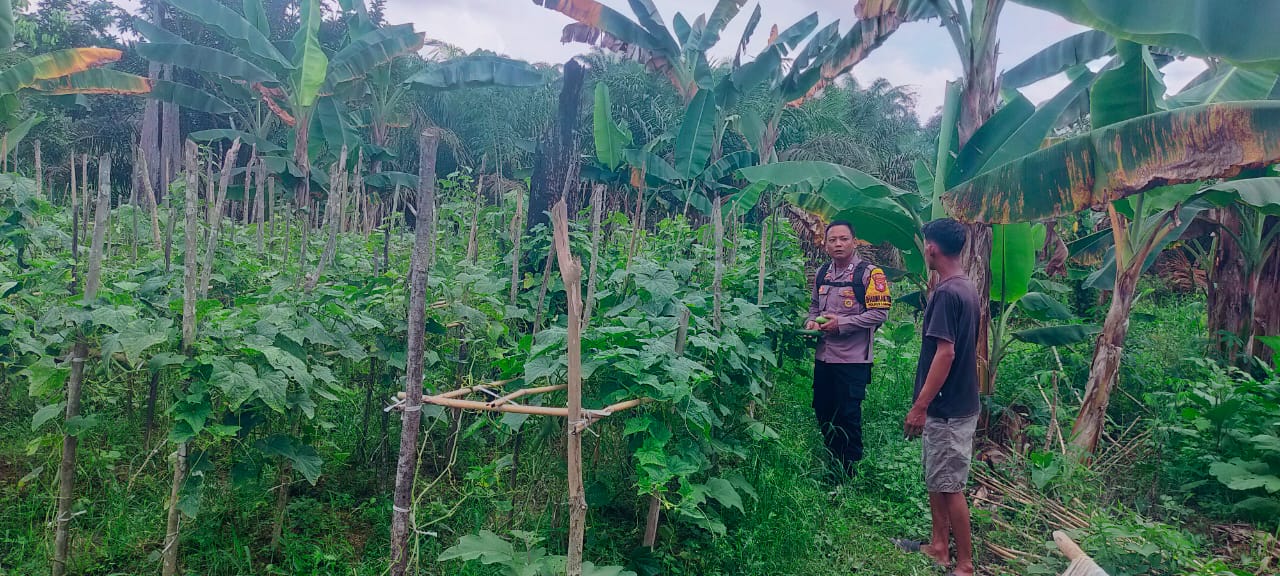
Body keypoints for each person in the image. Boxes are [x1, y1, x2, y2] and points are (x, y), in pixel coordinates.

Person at [902, 218, 981, 576]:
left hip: (948, 407)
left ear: (931, 248)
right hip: (954, 403)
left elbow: (945, 354)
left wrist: (920, 406)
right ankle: (937, 546)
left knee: (951, 486)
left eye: (924, 245)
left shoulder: (947, 293)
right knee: (938, 477)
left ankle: (963, 564)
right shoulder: (965, 287)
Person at [804, 220, 892, 478]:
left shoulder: (869, 273)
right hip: (824, 357)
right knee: (822, 408)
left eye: (843, 239)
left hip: (852, 360)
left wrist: (841, 323)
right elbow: (813, 308)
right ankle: (833, 460)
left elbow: (879, 314)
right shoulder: (822, 274)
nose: (838, 244)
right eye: (833, 240)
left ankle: (850, 470)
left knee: (848, 414)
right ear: (826, 244)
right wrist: (810, 321)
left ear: (854, 242)